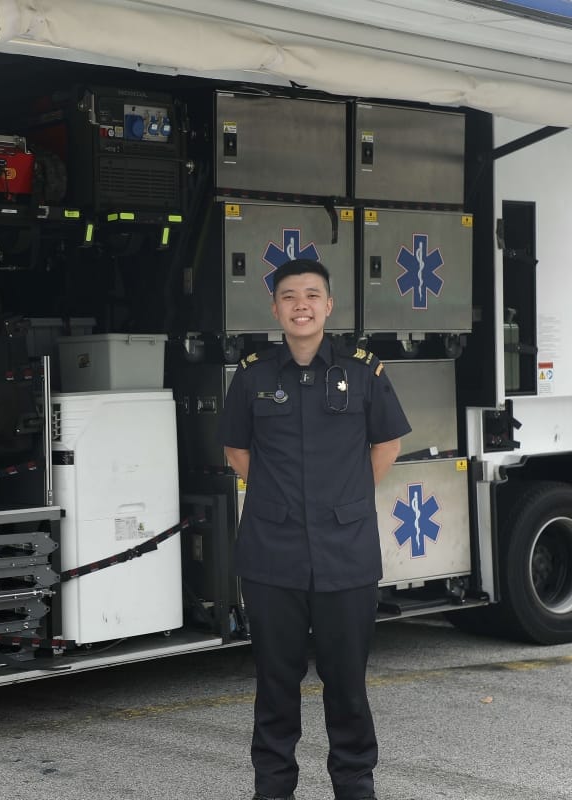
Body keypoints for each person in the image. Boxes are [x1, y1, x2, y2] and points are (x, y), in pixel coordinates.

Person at [219, 258, 410, 800]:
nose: (300, 304)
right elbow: (237, 450)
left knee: (347, 686)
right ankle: (273, 788)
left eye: (311, 295)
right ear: (275, 308)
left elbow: (388, 445)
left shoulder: (364, 370)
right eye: (288, 296)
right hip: (271, 556)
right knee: (275, 685)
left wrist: (341, 499)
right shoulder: (253, 374)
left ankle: (355, 787)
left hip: (346, 554)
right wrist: (282, 498)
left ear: (329, 305)